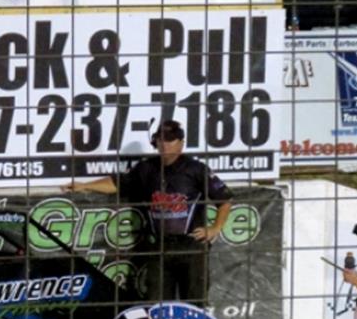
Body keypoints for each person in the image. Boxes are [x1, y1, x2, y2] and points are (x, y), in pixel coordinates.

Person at [64, 120, 233, 306]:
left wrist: (215, 228)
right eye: (161, 139)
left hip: (191, 246)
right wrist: (85, 185)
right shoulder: (146, 168)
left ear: (181, 143)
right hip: (158, 247)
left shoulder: (196, 169)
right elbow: (117, 183)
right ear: (155, 143)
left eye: (170, 139)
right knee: (157, 304)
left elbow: (224, 199)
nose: (165, 144)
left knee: (195, 304)